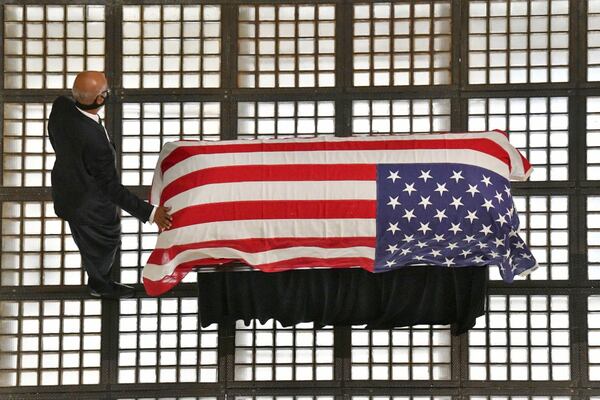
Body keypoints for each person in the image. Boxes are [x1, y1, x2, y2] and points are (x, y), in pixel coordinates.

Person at [48, 71, 172, 299]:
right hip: (88, 206)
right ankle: (100, 284)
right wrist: (151, 213)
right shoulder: (97, 144)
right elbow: (112, 189)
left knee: (86, 236)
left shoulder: (61, 107)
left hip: (65, 188)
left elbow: (55, 137)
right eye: (106, 91)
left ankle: (98, 271)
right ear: (99, 100)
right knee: (104, 242)